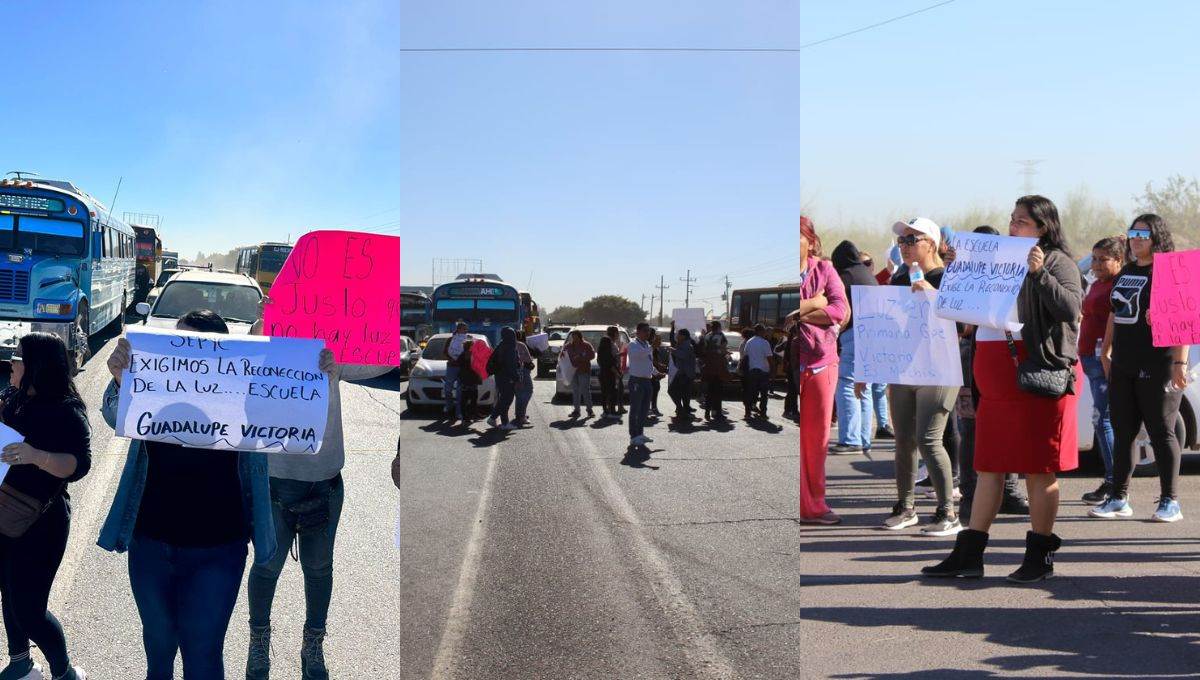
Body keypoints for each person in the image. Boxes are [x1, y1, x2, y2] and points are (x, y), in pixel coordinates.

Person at [99, 310, 284, 678]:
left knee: (203, 658)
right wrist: (121, 380)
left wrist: (319, 374)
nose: (184, 359)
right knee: (159, 651)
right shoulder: (154, 385)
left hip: (217, 551)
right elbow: (112, 415)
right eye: (177, 346)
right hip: (150, 545)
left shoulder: (243, 394)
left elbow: (291, 414)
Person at [925, 195, 1083, 583]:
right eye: (1011, 220)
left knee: (1037, 468)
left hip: (1035, 375)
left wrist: (1039, 273)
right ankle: (969, 553)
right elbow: (967, 314)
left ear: (1043, 227)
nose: (1012, 227)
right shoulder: (996, 260)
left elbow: (1071, 310)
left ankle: (1038, 556)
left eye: (1022, 222)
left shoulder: (1057, 261)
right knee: (988, 466)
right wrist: (958, 275)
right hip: (995, 379)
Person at [244, 310, 391, 680]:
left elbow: (382, 360)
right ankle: (258, 641)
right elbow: (229, 372)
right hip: (273, 480)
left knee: (319, 568)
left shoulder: (329, 348)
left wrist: (339, 357)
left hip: (322, 481)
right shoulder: (259, 343)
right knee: (266, 567)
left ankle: (313, 642)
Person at [0, 333, 91, 680]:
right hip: (5, 512)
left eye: (19, 357)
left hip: (43, 522)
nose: (12, 362)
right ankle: (21, 662)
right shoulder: (14, 398)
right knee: (8, 591)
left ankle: (64, 672)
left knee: (30, 608)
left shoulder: (67, 410)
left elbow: (79, 465)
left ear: (37, 365)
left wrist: (36, 457)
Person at [1090, 215, 1191, 522]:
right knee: (1123, 432)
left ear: (1157, 237)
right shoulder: (1127, 271)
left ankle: (1169, 501)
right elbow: (1114, 313)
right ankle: (1119, 498)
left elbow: (1182, 319)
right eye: (1133, 233)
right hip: (1124, 362)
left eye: (1143, 234)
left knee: (1161, 431)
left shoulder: (1171, 272)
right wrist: (1106, 351)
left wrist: (1179, 363)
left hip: (1157, 363)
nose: (1136, 239)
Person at [871, 217, 961, 537]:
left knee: (929, 439)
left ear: (931, 244)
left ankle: (947, 512)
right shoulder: (898, 277)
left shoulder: (949, 277)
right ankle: (905, 507)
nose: (905, 246)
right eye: (902, 241)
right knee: (904, 440)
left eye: (912, 240)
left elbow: (963, 323)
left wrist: (933, 295)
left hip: (939, 368)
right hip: (904, 367)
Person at [955, 226, 1030, 523]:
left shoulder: (1012, 276)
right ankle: (970, 498)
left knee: (1004, 429)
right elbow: (962, 324)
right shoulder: (964, 277)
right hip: (972, 359)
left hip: (1000, 360)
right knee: (971, 428)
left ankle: (1009, 491)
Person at [791, 216, 849, 525]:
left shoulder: (825, 269)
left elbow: (839, 310)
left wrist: (799, 314)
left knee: (816, 441)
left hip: (821, 364)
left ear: (810, 241)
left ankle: (814, 506)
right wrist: (813, 302)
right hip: (790, 365)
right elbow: (784, 313)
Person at [1077, 235, 1125, 503]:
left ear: (1118, 260)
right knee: (1102, 421)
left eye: (1102, 259)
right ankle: (1113, 479)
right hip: (1089, 358)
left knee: (1103, 420)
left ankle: (1113, 482)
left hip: (1104, 361)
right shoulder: (1099, 283)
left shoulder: (1118, 285)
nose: (1095, 264)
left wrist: (1106, 356)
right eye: (1093, 259)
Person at [830, 239, 880, 454]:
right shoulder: (869, 276)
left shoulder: (845, 277)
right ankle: (863, 439)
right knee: (864, 388)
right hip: (875, 336)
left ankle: (850, 440)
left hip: (854, 335)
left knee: (847, 385)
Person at [626, 323, 663, 447]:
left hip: (647, 381)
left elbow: (648, 362)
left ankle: (640, 434)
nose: (648, 333)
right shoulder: (633, 344)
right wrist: (652, 347)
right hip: (636, 380)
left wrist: (657, 372)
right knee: (635, 409)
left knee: (644, 409)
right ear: (638, 332)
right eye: (645, 331)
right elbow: (639, 355)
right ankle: (633, 436)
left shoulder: (646, 345)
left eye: (648, 331)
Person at [487, 327, 521, 431]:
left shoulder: (501, 344)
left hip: (500, 375)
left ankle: (493, 418)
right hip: (507, 376)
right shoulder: (510, 347)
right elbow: (511, 365)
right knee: (507, 399)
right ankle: (504, 423)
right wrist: (517, 379)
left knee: (503, 399)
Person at [698, 321, 730, 421]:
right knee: (718, 391)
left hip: (708, 366)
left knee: (710, 391)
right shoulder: (721, 335)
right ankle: (717, 413)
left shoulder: (707, 336)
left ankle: (707, 413)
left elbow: (703, 350)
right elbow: (723, 348)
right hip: (718, 366)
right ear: (719, 327)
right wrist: (726, 353)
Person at [742, 324, 775, 420]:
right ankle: (763, 414)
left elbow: (746, 356)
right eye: (764, 331)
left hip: (751, 371)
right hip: (763, 371)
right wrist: (773, 371)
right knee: (764, 394)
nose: (765, 333)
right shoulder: (765, 343)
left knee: (750, 392)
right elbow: (770, 358)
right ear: (760, 331)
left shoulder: (749, 342)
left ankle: (747, 413)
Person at [563, 331, 595, 419]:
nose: (575, 339)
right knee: (575, 391)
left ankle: (589, 410)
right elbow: (562, 355)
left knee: (585, 390)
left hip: (583, 370)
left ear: (580, 337)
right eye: (573, 337)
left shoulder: (586, 345)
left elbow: (592, 355)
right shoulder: (568, 346)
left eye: (576, 337)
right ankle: (576, 410)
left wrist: (581, 357)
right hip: (572, 371)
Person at [441, 322, 470, 422]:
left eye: (466, 329)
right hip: (452, 367)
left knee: (460, 391)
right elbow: (445, 351)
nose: (465, 331)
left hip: (463, 368)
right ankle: (449, 406)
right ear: (458, 329)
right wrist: (452, 359)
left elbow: (471, 352)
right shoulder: (451, 339)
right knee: (448, 388)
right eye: (463, 329)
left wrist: (464, 359)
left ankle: (459, 412)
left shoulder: (468, 339)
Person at [668, 329, 698, 418]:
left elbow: (683, 355)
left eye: (678, 335)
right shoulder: (682, 344)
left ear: (683, 336)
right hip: (683, 373)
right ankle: (683, 410)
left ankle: (681, 409)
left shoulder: (687, 345)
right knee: (683, 393)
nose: (677, 336)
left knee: (672, 391)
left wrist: (673, 350)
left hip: (684, 373)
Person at [513, 332, 536, 427]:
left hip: (510, 373)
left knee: (518, 394)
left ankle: (519, 414)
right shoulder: (521, 345)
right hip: (522, 372)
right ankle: (521, 416)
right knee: (528, 391)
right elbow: (528, 360)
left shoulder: (503, 344)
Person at [597, 329, 620, 420]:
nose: (618, 335)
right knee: (611, 392)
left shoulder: (610, 342)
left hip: (605, 371)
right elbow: (608, 360)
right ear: (614, 333)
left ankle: (606, 411)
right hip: (608, 372)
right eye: (617, 333)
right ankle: (611, 411)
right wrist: (615, 371)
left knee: (606, 392)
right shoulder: (607, 341)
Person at [458, 339, 482, 422]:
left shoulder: (462, 355)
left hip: (465, 379)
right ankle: (473, 414)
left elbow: (458, 364)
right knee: (473, 397)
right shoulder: (473, 355)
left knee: (464, 398)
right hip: (472, 378)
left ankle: (465, 416)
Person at [779, 325, 799, 420]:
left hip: (791, 369)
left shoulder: (788, 341)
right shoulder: (793, 341)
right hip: (793, 368)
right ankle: (790, 410)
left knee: (792, 390)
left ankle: (790, 410)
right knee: (793, 390)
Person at [648, 331, 667, 418]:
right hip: (651, 373)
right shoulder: (650, 348)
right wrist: (659, 365)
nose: (660, 342)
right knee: (654, 390)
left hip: (654, 371)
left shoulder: (654, 348)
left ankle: (652, 408)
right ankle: (652, 409)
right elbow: (651, 361)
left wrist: (660, 365)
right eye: (658, 339)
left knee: (655, 389)